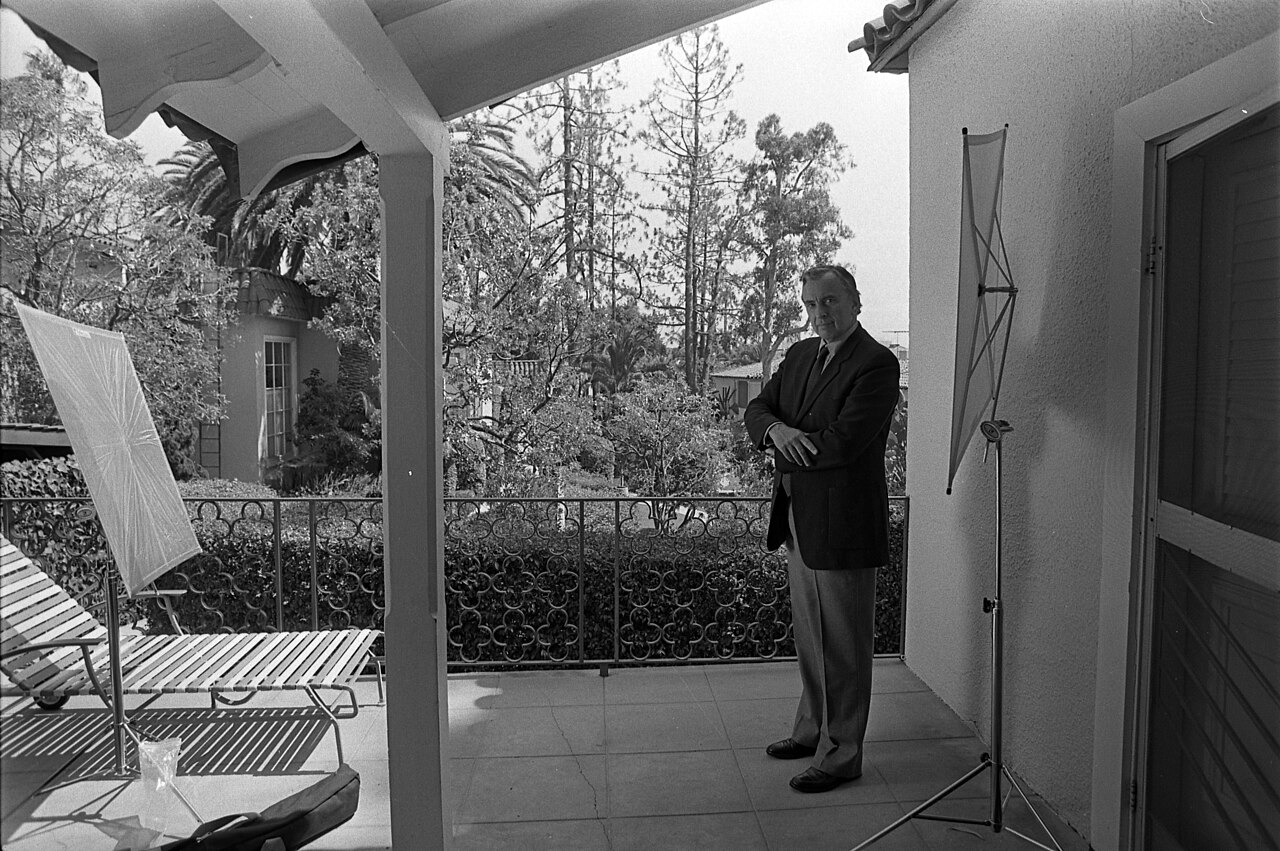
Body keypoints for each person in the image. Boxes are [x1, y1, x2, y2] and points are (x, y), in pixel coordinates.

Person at [744, 264, 901, 793]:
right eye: (811, 304)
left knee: (846, 647)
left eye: (830, 302)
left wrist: (787, 445)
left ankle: (842, 754)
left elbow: (842, 442)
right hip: (798, 518)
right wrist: (777, 429)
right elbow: (758, 408)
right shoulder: (798, 356)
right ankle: (811, 731)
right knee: (812, 638)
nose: (820, 314)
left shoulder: (877, 364)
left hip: (845, 524)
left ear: (856, 301)